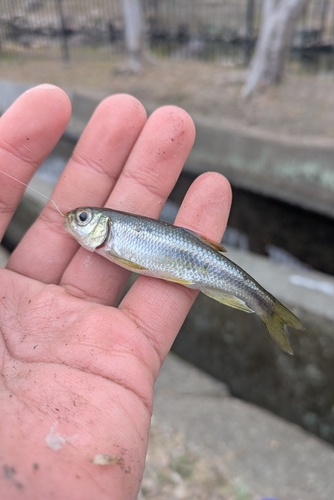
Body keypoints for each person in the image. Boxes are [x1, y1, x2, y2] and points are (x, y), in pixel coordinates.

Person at [0, 84, 231, 499]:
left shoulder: (114, 235)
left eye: (84, 218)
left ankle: (267, 308)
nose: (77, 221)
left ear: (103, 226)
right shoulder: (109, 238)